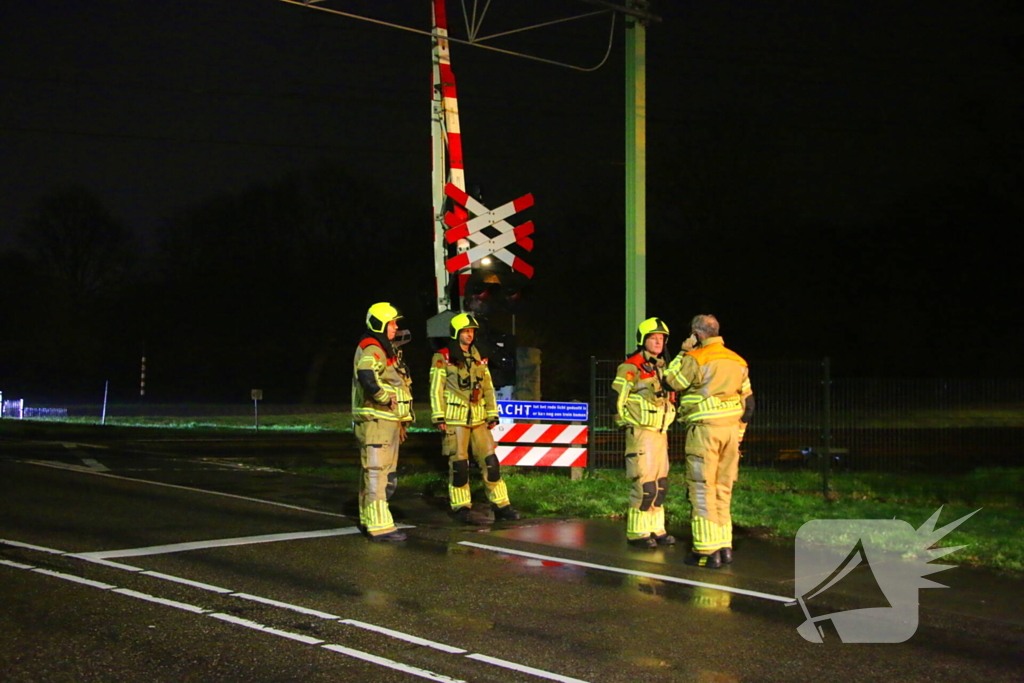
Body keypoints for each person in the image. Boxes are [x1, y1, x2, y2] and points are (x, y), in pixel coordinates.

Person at [665, 314, 753, 568]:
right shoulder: (738, 361)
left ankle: (705, 550)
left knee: (702, 488)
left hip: (705, 432)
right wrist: (738, 434)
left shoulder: (696, 358)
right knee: (723, 489)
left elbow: (671, 381)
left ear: (697, 334)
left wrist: (683, 352)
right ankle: (725, 546)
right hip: (730, 432)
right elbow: (749, 404)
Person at [430, 313, 521, 524]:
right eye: (465, 331)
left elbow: (488, 386)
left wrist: (492, 412)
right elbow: (436, 389)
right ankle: (461, 506)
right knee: (459, 465)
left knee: (491, 462)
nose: (470, 335)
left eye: (472, 331)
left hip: (479, 417)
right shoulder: (443, 357)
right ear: (456, 333)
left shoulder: (479, 355)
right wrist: (438, 416)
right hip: (455, 418)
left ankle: (501, 505)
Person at [611, 317, 677, 549]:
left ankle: (656, 529)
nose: (658, 342)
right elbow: (616, 397)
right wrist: (625, 423)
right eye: (654, 338)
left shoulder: (662, 367)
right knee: (645, 485)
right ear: (643, 340)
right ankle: (638, 532)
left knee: (661, 485)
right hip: (641, 432)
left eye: (661, 339)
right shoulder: (631, 366)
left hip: (660, 433)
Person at [352, 302, 414, 542]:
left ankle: (371, 519)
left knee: (380, 474)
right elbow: (366, 374)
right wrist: (383, 398)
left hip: (386, 422)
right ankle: (380, 527)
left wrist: (401, 421)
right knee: (378, 474)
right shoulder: (374, 348)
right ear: (379, 324)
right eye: (392, 323)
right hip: (376, 421)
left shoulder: (384, 349)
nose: (396, 327)